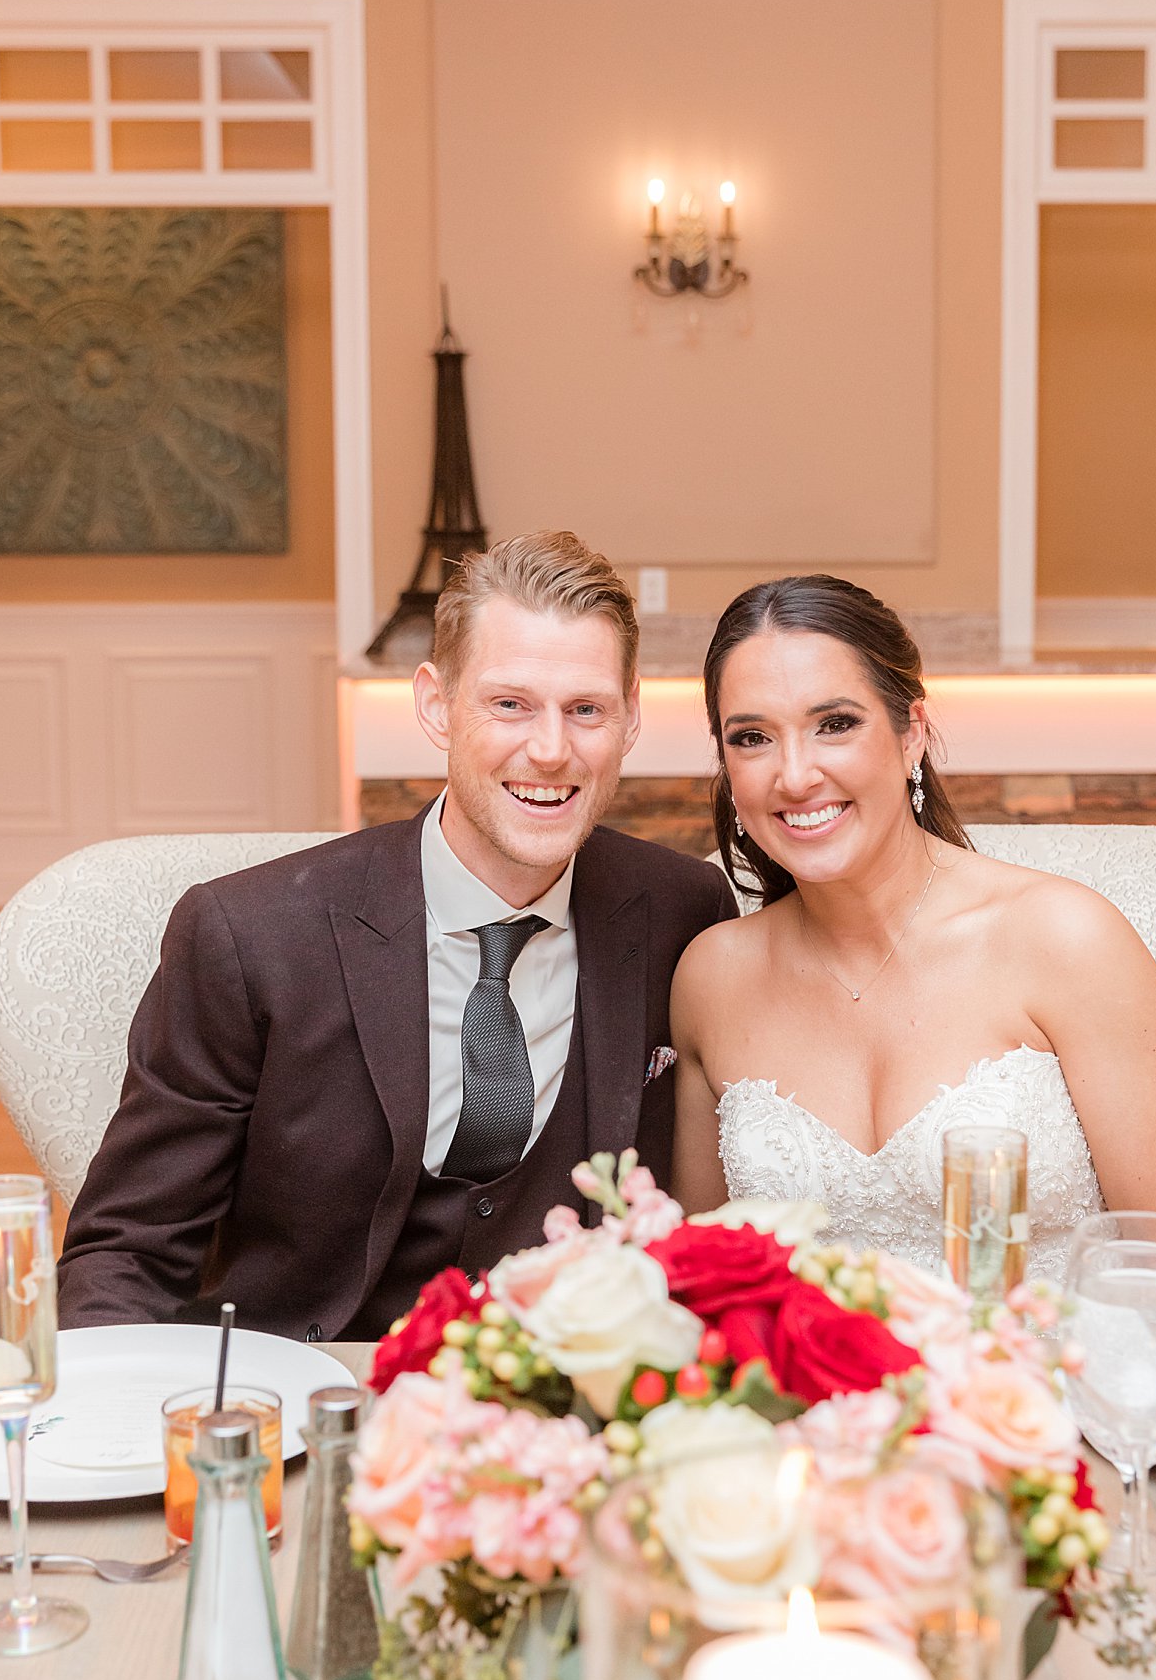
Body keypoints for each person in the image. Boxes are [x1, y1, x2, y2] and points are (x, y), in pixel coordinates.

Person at [58, 532, 736, 1339]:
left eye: (586, 709)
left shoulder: (683, 910)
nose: (551, 751)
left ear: (628, 716)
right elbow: (125, 1252)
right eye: (509, 704)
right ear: (435, 705)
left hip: (576, 1406)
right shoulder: (248, 936)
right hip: (314, 1402)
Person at [669, 574, 1156, 1303]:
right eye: (752, 738)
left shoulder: (1063, 940)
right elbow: (705, 1285)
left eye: (835, 724)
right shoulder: (711, 980)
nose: (796, 774)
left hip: (1058, 1406)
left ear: (912, 733)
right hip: (814, 1413)